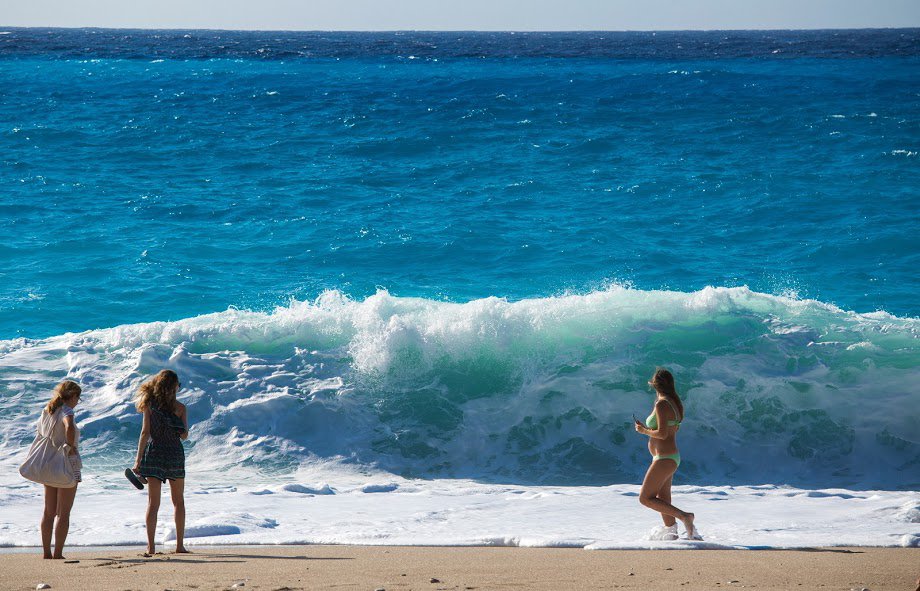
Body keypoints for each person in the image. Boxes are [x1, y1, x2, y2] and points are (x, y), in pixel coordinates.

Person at [633, 368, 698, 540]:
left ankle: (685, 517)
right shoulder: (674, 403)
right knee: (663, 498)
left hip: (664, 458)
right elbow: (670, 430)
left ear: (654, 384)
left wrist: (643, 430)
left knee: (645, 498)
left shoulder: (662, 404)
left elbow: (662, 434)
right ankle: (671, 533)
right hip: (668, 457)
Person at [132, 369, 190, 555]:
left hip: (155, 452)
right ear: (173, 387)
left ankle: (151, 547)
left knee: (153, 503)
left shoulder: (150, 405)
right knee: (178, 501)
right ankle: (179, 546)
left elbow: (145, 432)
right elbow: (184, 435)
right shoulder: (180, 408)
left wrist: (138, 459)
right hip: (174, 454)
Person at [38, 380, 83, 559]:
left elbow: (40, 433)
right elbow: (69, 426)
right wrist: (70, 446)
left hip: (49, 464)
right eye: (78, 398)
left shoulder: (48, 410)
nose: (78, 401)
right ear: (72, 396)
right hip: (64, 464)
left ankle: (46, 553)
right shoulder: (67, 411)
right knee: (63, 513)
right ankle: (58, 553)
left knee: (48, 512)